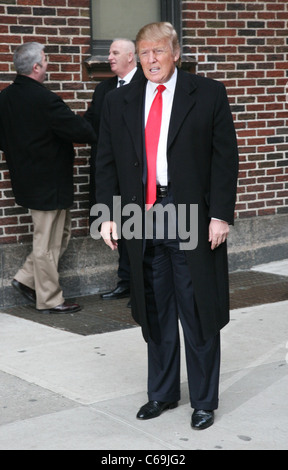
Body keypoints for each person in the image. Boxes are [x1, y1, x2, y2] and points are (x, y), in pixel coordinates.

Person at [95, 22, 239, 430]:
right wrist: (106, 214)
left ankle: (204, 400)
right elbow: (104, 162)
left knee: (196, 307)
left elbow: (225, 159)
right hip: (143, 215)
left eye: (158, 51)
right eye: (143, 53)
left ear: (176, 53)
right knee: (155, 307)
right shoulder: (118, 102)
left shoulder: (208, 94)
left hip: (190, 211)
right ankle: (161, 393)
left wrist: (220, 215)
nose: (151, 60)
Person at [0, 42, 97, 314]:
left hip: (28, 181)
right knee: (46, 242)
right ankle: (50, 299)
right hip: (49, 183)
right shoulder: (44, 99)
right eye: (45, 60)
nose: (48, 64)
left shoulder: (4, 99)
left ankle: (25, 278)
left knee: (60, 236)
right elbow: (81, 131)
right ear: (35, 67)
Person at [85, 39, 143, 301]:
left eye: (115, 52)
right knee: (118, 228)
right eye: (108, 52)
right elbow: (89, 124)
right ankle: (126, 281)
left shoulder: (147, 85)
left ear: (131, 57)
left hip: (138, 174)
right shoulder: (104, 90)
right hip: (112, 175)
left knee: (140, 231)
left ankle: (143, 286)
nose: (108, 57)